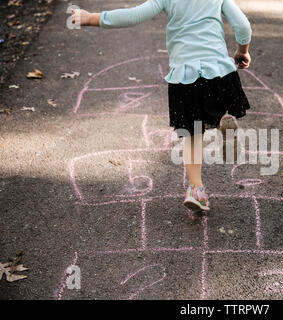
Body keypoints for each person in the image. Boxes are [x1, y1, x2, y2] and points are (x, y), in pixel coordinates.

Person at [71, 0, 252, 212]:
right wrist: (242, 50)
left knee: (193, 135)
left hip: (185, 78)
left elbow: (134, 15)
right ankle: (224, 118)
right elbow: (243, 25)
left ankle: (196, 190)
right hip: (220, 71)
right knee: (221, 104)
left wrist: (91, 18)